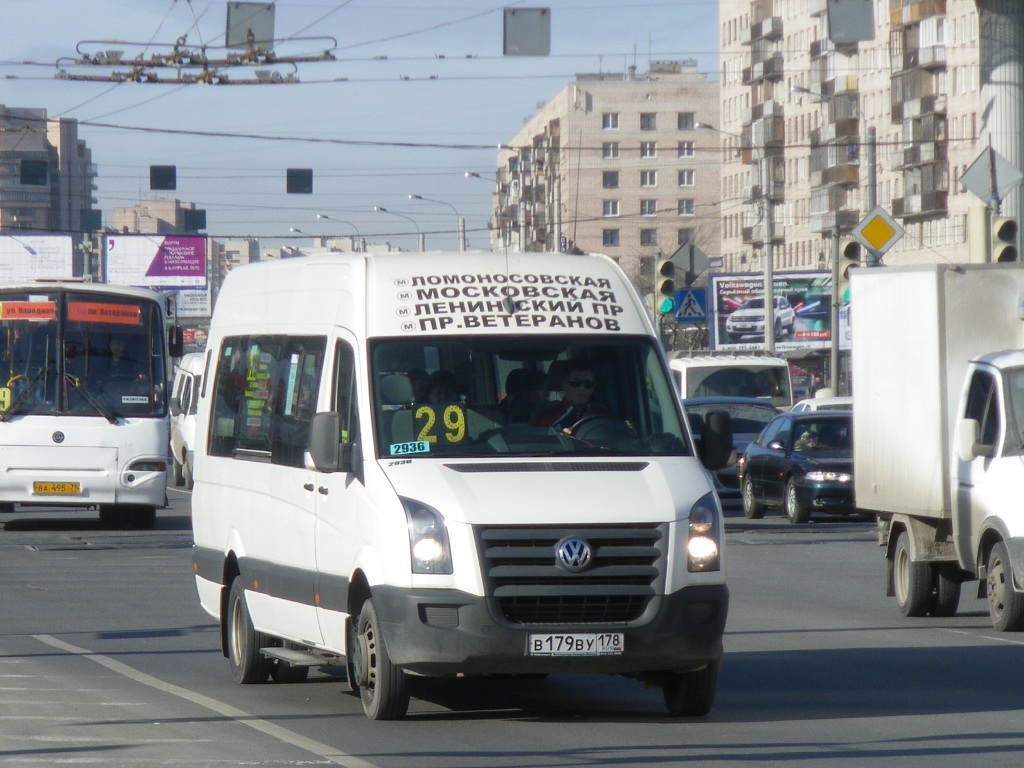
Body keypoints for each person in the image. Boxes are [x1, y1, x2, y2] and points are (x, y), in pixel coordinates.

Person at [533, 360, 608, 431]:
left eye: (588, 384)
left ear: (593, 388)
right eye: (575, 383)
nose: (582, 388)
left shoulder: (601, 416)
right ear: (564, 385)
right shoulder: (547, 418)